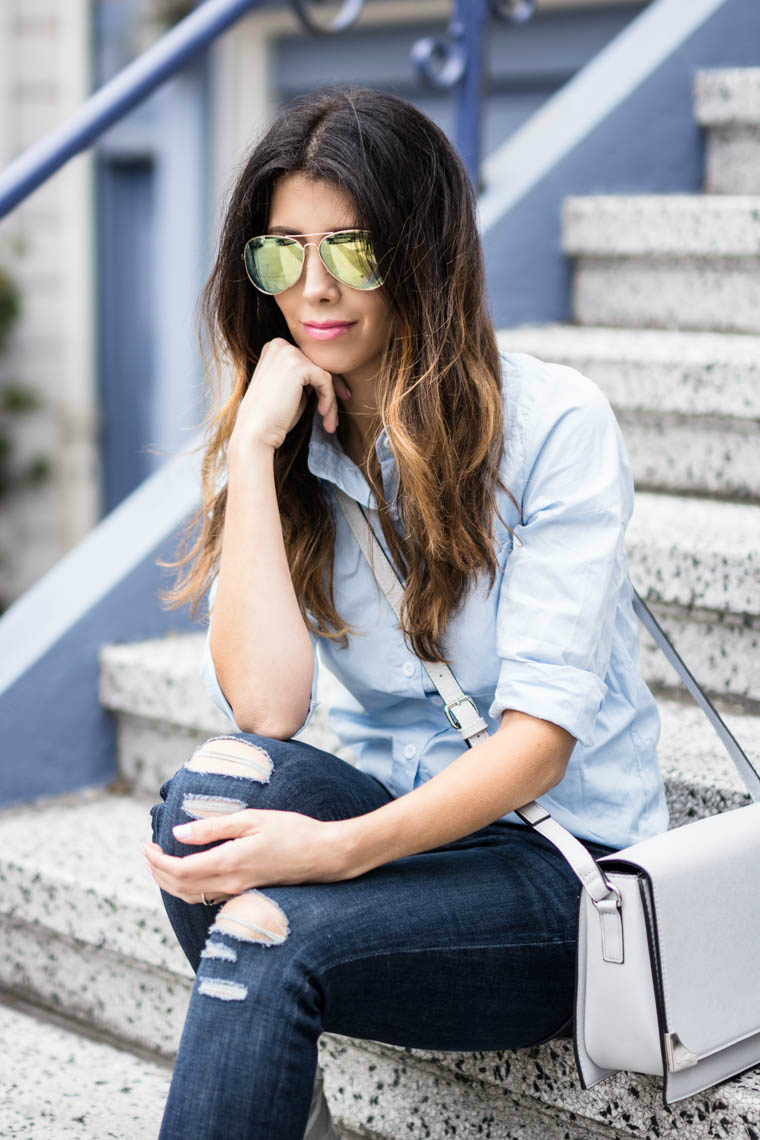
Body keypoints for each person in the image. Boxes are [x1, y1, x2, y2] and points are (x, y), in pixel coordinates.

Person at [144, 83, 669, 1140]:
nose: (314, 286)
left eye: (352, 247)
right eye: (282, 251)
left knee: (264, 929)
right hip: (413, 844)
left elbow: (536, 750)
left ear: (422, 252)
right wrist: (252, 451)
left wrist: (332, 855)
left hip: (559, 875)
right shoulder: (290, 437)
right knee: (206, 799)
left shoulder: (554, 426)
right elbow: (268, 707)